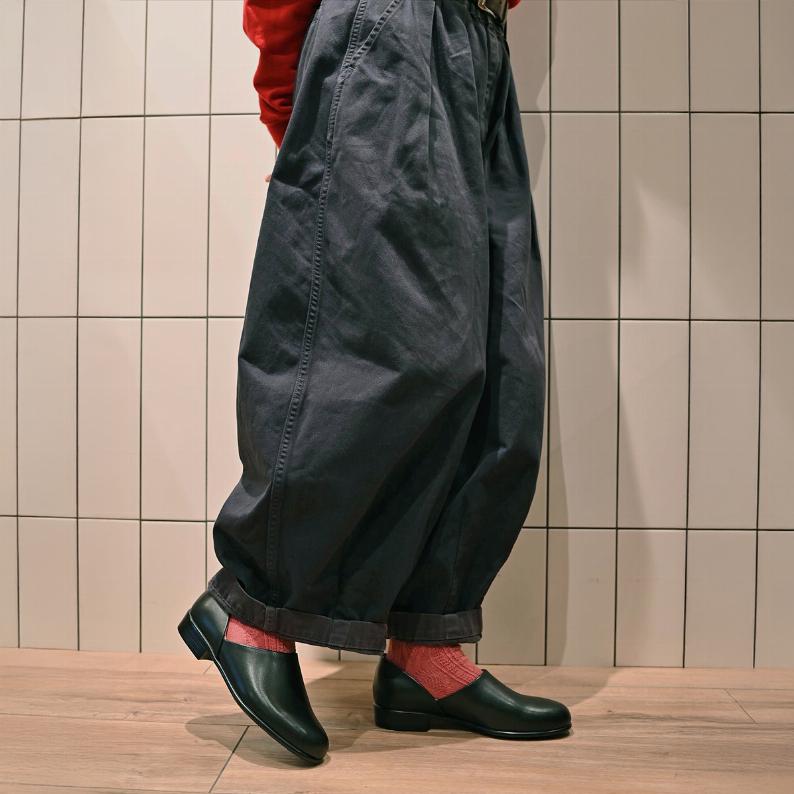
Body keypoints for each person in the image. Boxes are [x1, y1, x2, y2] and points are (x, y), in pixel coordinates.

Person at [179, 0, 571, 764]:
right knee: (383, 349)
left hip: (479, 45)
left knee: (499, 371)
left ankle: (426, 646)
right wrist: (297, 104)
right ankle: (253, 611)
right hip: (392, 34)